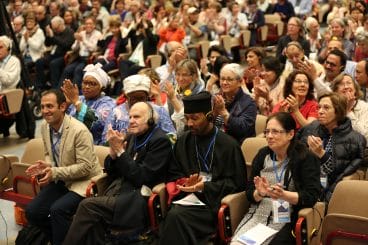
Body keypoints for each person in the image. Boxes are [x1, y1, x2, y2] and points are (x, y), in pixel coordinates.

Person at [63, 101, 174, 244]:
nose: (131, 121)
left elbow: (141, 177)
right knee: (94, 222)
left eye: (137, 117)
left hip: (136, 199)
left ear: (151, 119)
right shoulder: (132, 136)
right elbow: (111, 172)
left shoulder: (160, 141)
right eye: (130, 117)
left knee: (87, 206)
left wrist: (121, 152)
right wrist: (113, 154)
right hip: (117, 191)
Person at [159, 91, 247, 244]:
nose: (190, 123)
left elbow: (237, 184)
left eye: (195, 118)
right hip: (186, 200)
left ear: (209, 116)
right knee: (175, 216)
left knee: (176, 217)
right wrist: (185, 183)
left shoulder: (228, 145)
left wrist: (204, 187)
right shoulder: (184, 141)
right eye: (187, 118)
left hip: (213, 204)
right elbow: (173, 173)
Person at [25, 89, 101, 245]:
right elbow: (49, 153)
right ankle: (61, 239)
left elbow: (85, 168)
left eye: (50, 106)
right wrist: (47, 165)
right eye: (43, 106)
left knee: (57, 210)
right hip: (63, 179)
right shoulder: (45, 127)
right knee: (32, 212)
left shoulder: (79, 131)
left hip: (84, 182)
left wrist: (54, 171)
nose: (45, 111)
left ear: (62, 107)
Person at [231, 112, 320, 245]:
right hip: (258, 214)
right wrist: (259, 193)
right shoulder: (263, 155)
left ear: (290, 134)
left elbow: (311, 196)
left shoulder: (305, 158)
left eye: (275, 132)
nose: (269, 136)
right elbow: (249, 192)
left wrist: (284, 195)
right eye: (267, 131)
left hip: (287, 218)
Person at [297, 93, 366, 202]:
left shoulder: (355, 140)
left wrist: (321, 154)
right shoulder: (311, 128)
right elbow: (295, 157)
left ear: (338, 111)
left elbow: (339, 174)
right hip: (304, 186)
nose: (320, 111)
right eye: (319, 107)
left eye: (326, 108)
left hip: (331, 193)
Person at [102, 74, 175, 144]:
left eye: (141, 98)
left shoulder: (159, 111)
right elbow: (105, 140)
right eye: (133, 98)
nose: (138, 101)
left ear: (147, 96)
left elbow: (171, 136)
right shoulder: (116, 112)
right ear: (126, 96)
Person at [62, 63, 115, 145]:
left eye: (92, 84)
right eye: (85, 82)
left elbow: (95, 123)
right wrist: (65, 106)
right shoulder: (78, 98)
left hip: (93, 147)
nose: (86, 86)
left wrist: (76, 103)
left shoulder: (108, 103)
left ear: (102, 88)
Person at [213, 63, 257, 144]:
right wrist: (214, 113)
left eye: (229, 79)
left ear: (240, 82)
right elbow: (205, 125)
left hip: (235, 145)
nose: (224, 83)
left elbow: (242, 130)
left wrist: (223, 112)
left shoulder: (249, 103)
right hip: (214, 142)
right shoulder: (216, 98)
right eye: (222, 79)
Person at [332, 73, 368, 142]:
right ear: (335, 91)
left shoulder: (365, 107)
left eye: (349, 83)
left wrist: (348, 112)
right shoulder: (332, 107)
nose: (346, 87)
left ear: (355, 88)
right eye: (342, 84)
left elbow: (365, 137)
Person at [0, 35, 21, 138]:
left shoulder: (14, 61)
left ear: (8, 49)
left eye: (0, 47)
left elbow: (9, 81)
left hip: (8, 95)